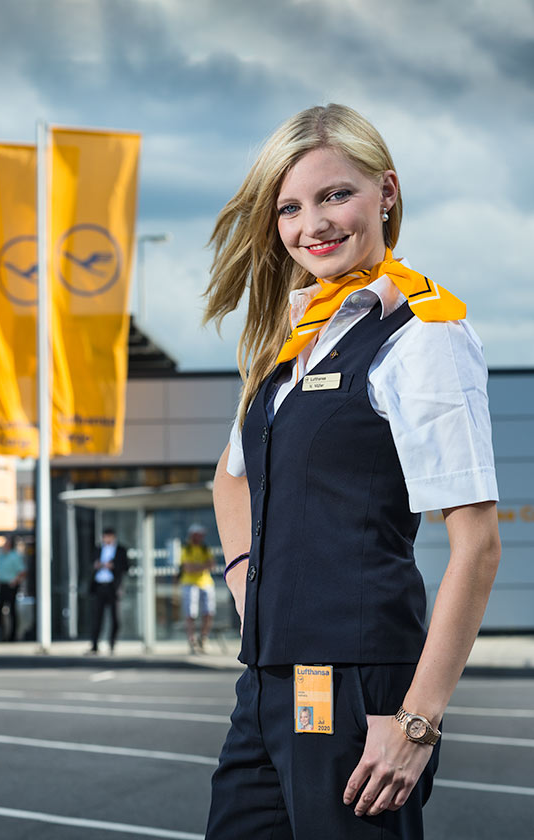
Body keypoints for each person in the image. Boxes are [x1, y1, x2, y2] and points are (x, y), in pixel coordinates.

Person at [202, 104, 500, 838]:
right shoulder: (297, 342)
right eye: (291, 208)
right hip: (270, 679)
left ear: (386, 193)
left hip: (361, 683)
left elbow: (478, 545)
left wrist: (418, 723)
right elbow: (230, 479)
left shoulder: (424, 334)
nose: (314, 225)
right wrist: (250, 586)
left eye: (336, 195)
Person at [176, 523, 216, 652]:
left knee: (209, 612)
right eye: (198, 534)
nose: (201, 537)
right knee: (190, 613)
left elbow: (212, 565)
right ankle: (191, 640)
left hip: (206, 583)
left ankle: (203, 638)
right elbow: (188, 568)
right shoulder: (186, 549)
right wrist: (203, 566)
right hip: (189, 583)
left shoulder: (205, 548)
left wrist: (197, 567)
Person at [89, 527, 128, 654]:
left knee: (115, 618)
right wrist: (97, 565)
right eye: (105, 536)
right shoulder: (98, 549)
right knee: (96, 618)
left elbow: (126, 567)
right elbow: (90, 564)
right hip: (99, 586)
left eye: (109, 536)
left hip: (112, 587)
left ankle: (112, 643)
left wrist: (113, 566)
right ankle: (94, 645)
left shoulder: (121, 550)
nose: (107, 539)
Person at [0, 536, 27, 642]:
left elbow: (22, 572)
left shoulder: (15, 556)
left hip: (11, 585)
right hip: (2, 584)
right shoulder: (1, 556)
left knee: (12, 610)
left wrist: (15, 581)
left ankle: (13, 636)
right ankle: (0, 634)